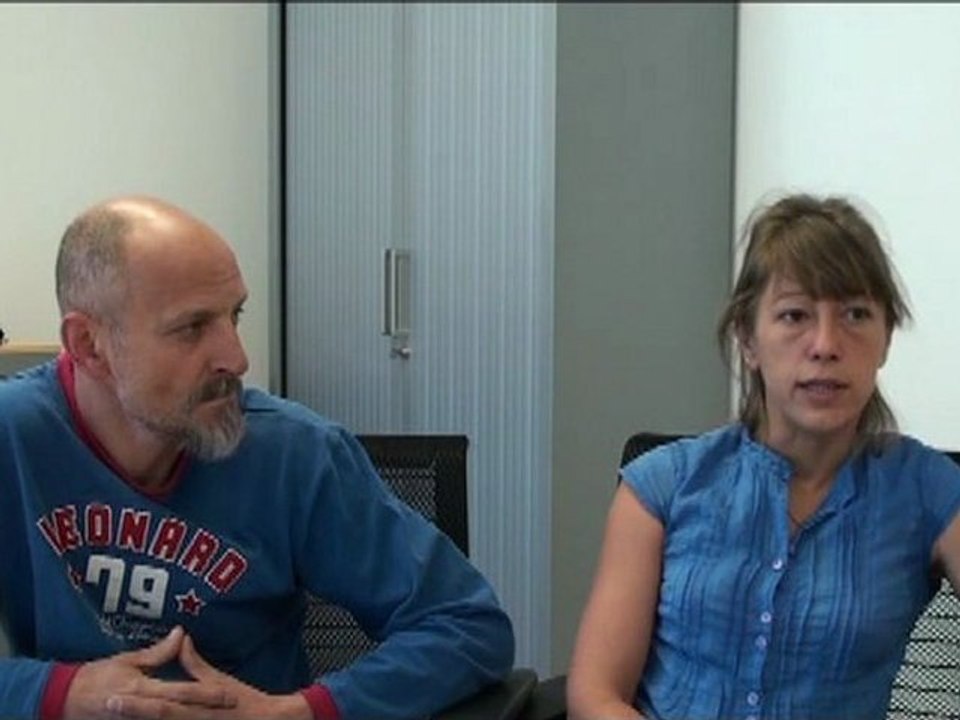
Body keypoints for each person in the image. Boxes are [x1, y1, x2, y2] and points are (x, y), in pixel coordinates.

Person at [0, 196, 515, 720]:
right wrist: (61, 692)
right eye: (192, 328)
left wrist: (303, 711)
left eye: (235, 316)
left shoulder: (294, 454)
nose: (237, 358)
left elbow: (467, 626)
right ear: (88, 345)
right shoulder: (13, 435)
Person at [566, 193, 960, 720]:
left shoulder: (930, 491)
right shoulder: (660, 487)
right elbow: (596, 695)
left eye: (856, 314)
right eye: (795, 315)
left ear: (886, 338)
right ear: (748, 339)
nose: (825, 344)